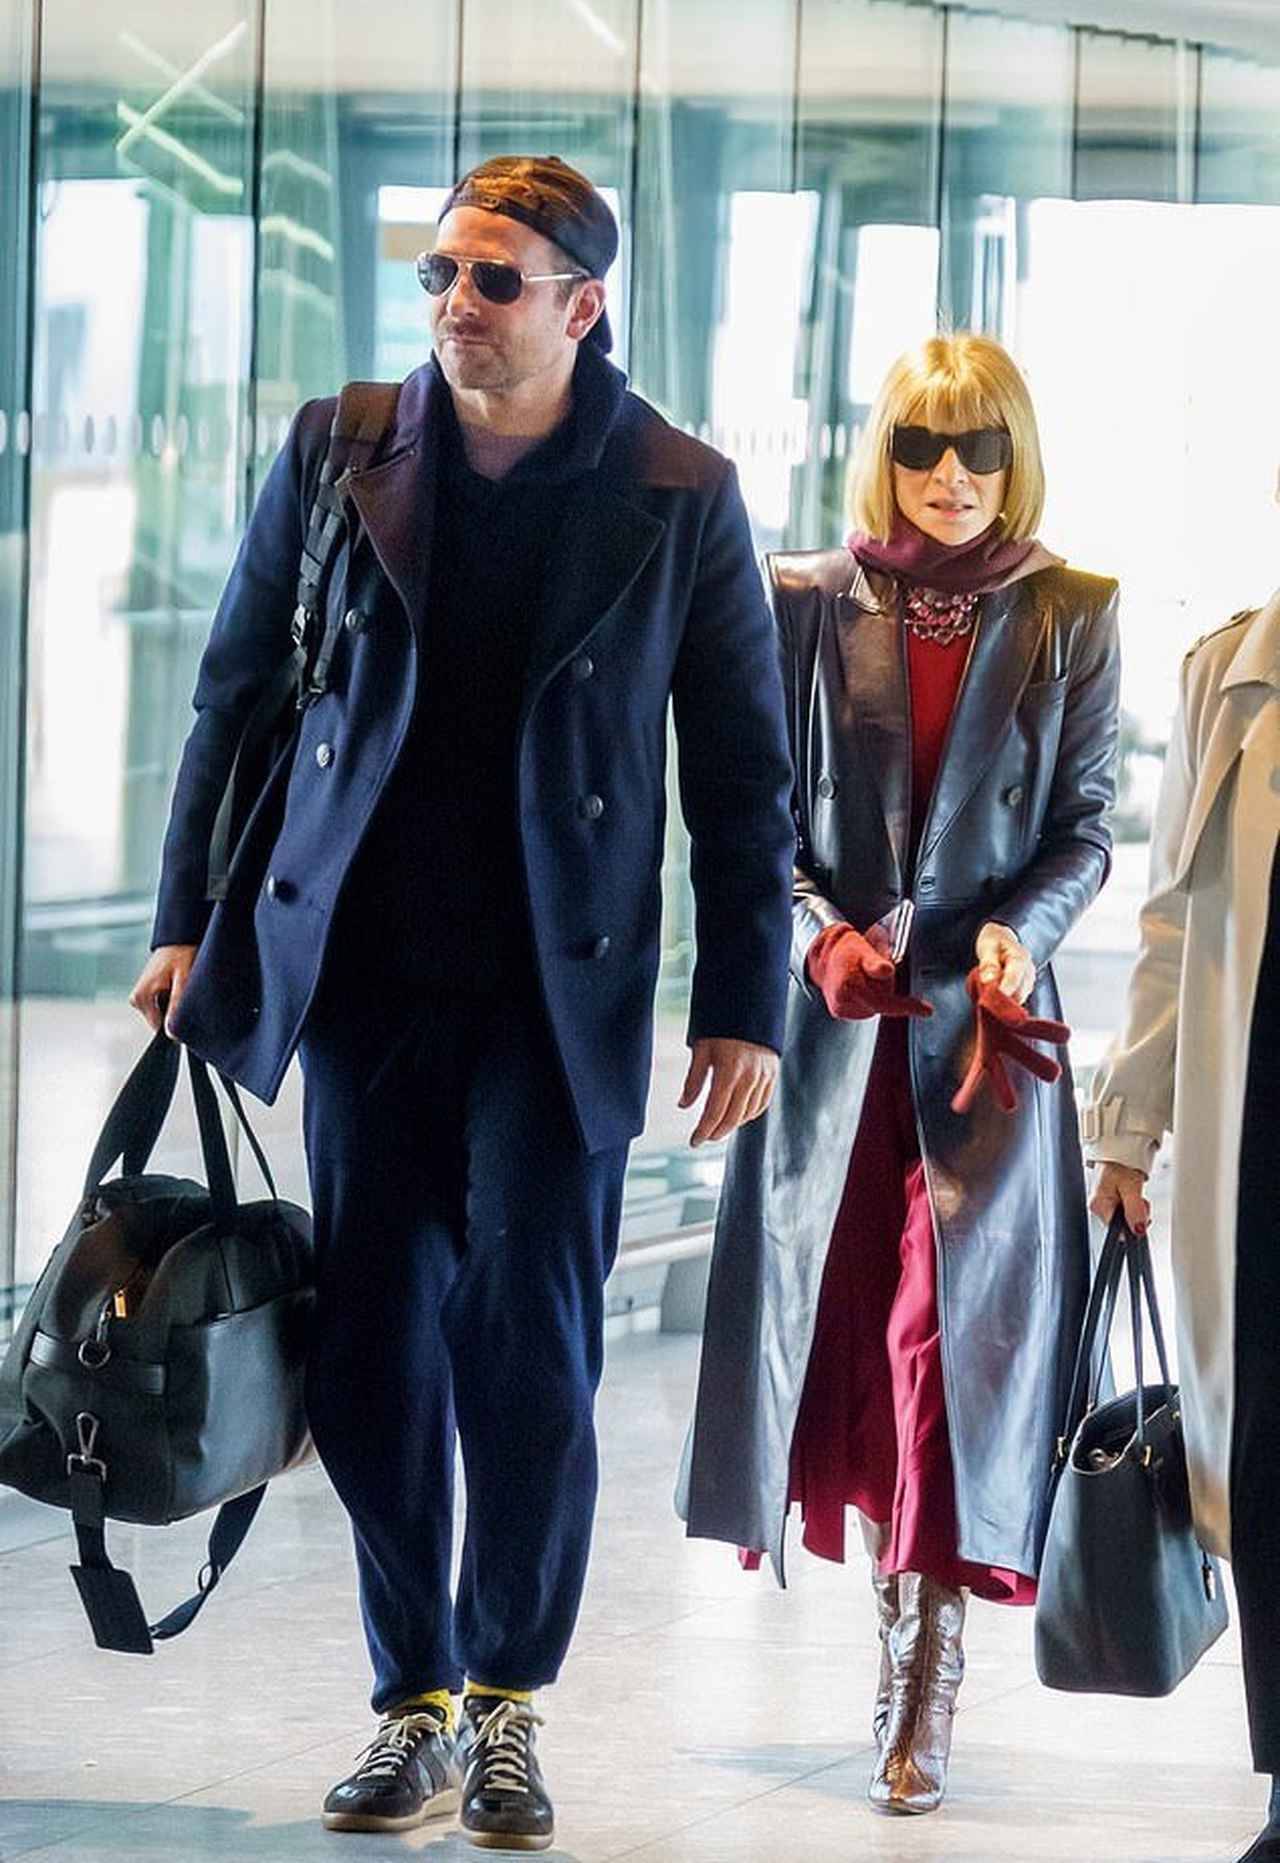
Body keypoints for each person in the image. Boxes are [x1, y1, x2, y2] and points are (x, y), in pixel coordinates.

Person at [129, 154, 794, 1851]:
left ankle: (507, 1700)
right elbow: (233, 695)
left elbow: (742, 776)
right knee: (368, 1351)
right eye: (438, 273)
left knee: (528, 1348)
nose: (455, 305)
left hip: (557, 995)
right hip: (360, 976)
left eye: (495, 278)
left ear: (583, 303)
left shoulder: (678, 489)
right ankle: (409, 1698)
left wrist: (745, 1001)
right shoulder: (341, 446)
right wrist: (187, 920)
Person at [678, 333, 1121, 1815]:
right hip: (837, 1048)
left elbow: (1085, 827)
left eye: (977, 447)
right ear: (887, 455)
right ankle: (898, 1625)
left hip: (985, 1042)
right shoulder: (806, 597)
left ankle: (922, 1673)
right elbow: (755, 818)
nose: (948, 476)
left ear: (1014, 454)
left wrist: (1017, 934)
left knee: (945, 1349)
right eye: (921, 447)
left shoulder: (1071, 611)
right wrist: (814, 936)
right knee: (862, 1343)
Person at [1086, 583, 1280, 1863]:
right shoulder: (1229, 672)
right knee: (1262, 1449)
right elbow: (1170, 918)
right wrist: (1125, 1122)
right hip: (1253, 1117)